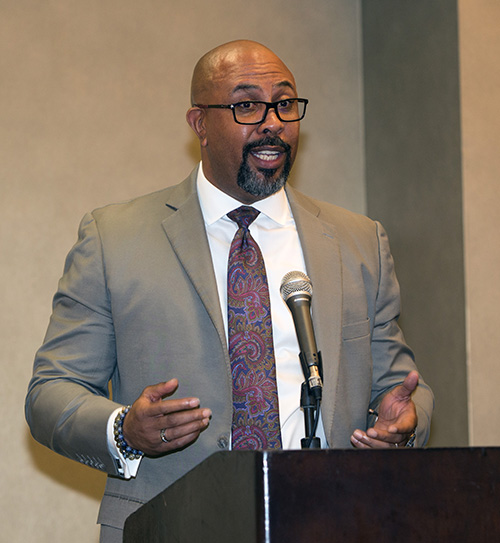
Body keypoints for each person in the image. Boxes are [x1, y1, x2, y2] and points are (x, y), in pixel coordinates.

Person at [25, 40, 434, 541]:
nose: (272, 123)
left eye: (284, 104)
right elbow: (51, 392)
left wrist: (404, 425)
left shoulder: (359, 242)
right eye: (246, 106)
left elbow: (400, 389)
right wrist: (124, 430)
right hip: (172, 525)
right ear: (199, 124)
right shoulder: (115, 239)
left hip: (334, 521)